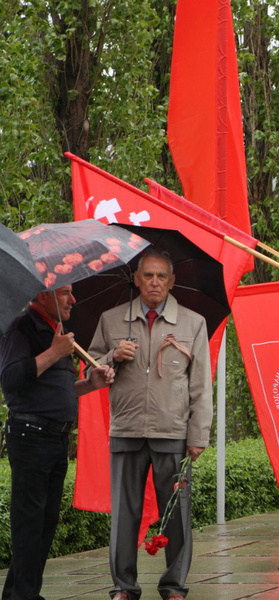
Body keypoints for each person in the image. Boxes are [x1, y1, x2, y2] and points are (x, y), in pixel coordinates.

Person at [89, 249, 212, 600]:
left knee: (176, 516)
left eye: (161, 276)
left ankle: (174, 586)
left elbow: (201, 386)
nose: (154, 282)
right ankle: (123, 587)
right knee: (124, 516)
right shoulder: (112, 320)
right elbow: (89, 369)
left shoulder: (193, 323)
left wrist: (198, 435)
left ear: (172, 282)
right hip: (126, 430)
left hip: (172, 433)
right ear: (136, 279)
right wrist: (111, 357)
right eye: (147, 276)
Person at [0, 286, 114, 600]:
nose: (73, 299)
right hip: (30, 435)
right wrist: (54, 353)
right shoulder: (20, 328)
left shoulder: (58, 332)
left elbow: (56, 389)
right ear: (41, 296)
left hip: (55, 437)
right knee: (30, 524)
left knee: (46, 522)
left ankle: (21, 594)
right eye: (64, 293)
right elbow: (10, 381)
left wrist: (90, 384)